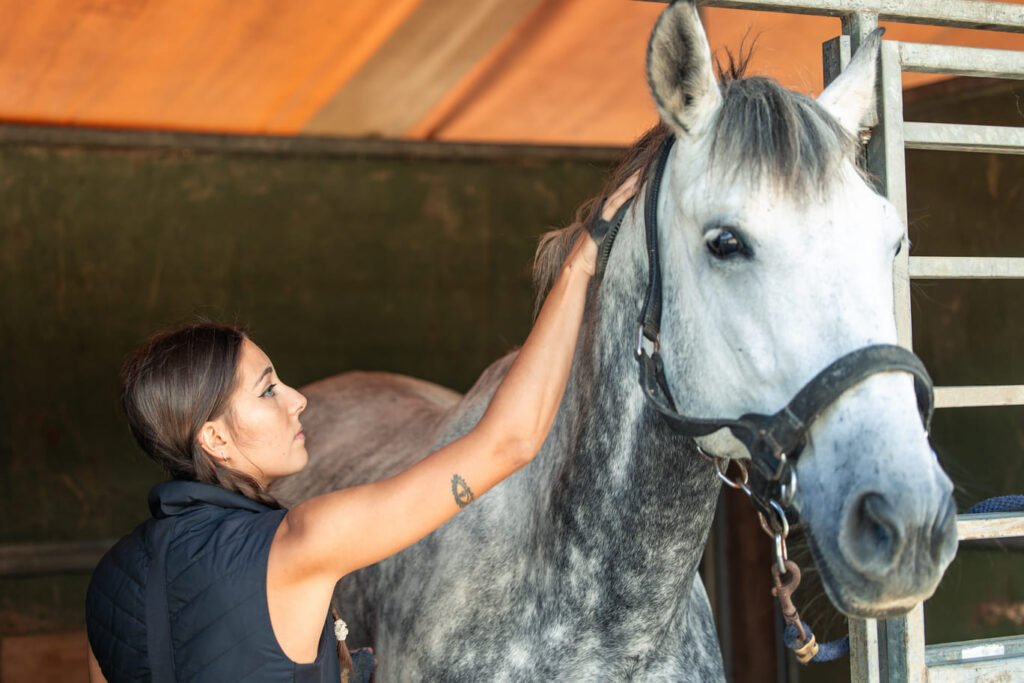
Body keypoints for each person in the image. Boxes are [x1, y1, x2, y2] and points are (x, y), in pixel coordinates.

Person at [84, 175, 639, 683]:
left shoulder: (110, 579)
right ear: (215, 439)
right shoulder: (301, 543)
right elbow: (509, 443)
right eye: (268, 389)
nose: (299, 400)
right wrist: (579, 267)